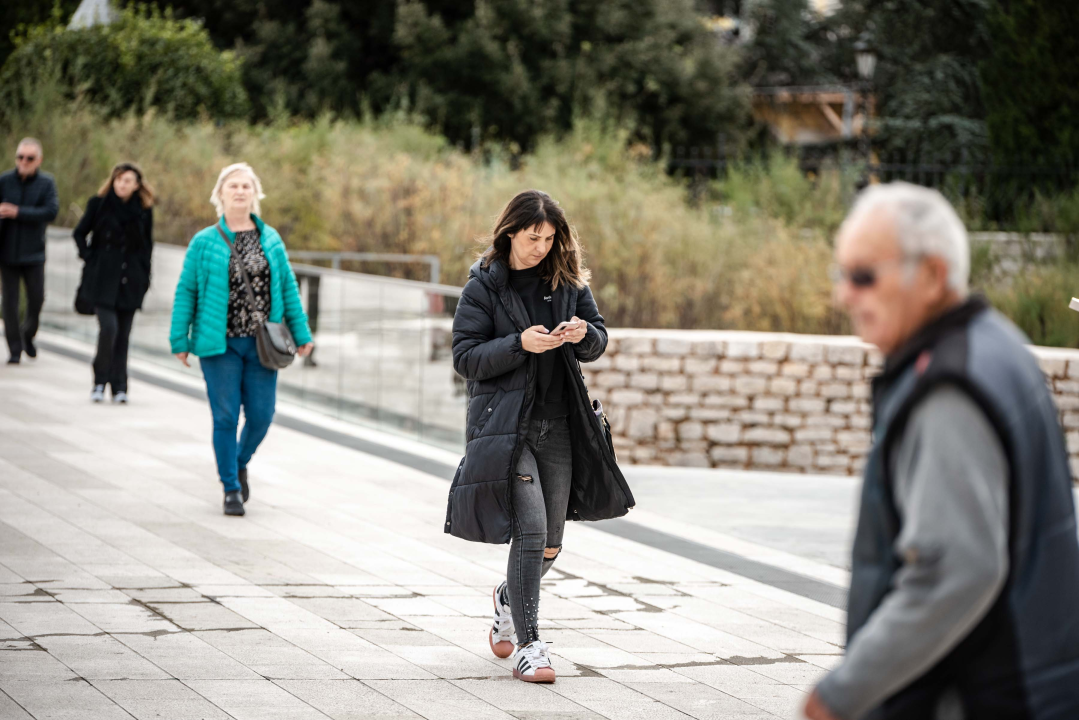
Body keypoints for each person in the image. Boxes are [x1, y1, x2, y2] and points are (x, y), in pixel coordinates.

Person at [804, 182, 1079, 720]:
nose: (844, 295)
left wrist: (839, 695)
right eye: (843, 275)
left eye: (862, 275)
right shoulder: (997, 345)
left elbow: (952, 572)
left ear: (930, 275)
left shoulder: (948, 389)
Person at [446, 189, 635, 684]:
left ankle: (508, 598)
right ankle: (532, 646)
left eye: (550, 238)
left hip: (561, 423)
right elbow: (465, 357)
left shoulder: (566, 280)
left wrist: (581, 334)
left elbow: (598, 337)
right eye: (534, 238)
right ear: (510, 232)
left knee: (550, 541)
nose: (541, 247)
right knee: (529, 532)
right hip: (507, 427)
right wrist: (519, 344)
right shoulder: (483, 287)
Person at [169, 163, 313, 517]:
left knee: (263, 415)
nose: (239, 191)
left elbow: (288, 289)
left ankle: (238, 461)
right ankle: (231, 488)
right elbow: (186, 290)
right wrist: (179, 338)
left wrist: (302, 334)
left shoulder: (271, 239)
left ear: (255, 194)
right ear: (220, 194)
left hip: (264, 343)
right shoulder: (204, 241)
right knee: (225, 417)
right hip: (219, 345)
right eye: (232, 185)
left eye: (246, 186)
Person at [73, 163, 155, 403]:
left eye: (128, 180)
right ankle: (99, 382)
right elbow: (79, 233)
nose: (123, 184)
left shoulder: (143, 210)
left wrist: (145, 275)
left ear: (137, 185)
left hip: (131, 280)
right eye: (119, 179)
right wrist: (90, 258)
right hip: (101, 280)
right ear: (113, 181)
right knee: (109, 329)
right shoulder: (98, 204)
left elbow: (147, 246)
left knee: (123, 336)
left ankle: (120, 386)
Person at [0, 138, 59, 364]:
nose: (24, 161)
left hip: (33, 253)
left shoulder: (46, 183)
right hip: (6, 252)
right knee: (9, 302)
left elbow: (51, 211)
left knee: (37, 300)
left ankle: (28, 333)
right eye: (20, 157)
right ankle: (14, 349)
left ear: (39, 160)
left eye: (29, 158)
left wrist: (18, 212)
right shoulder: (4, 180)